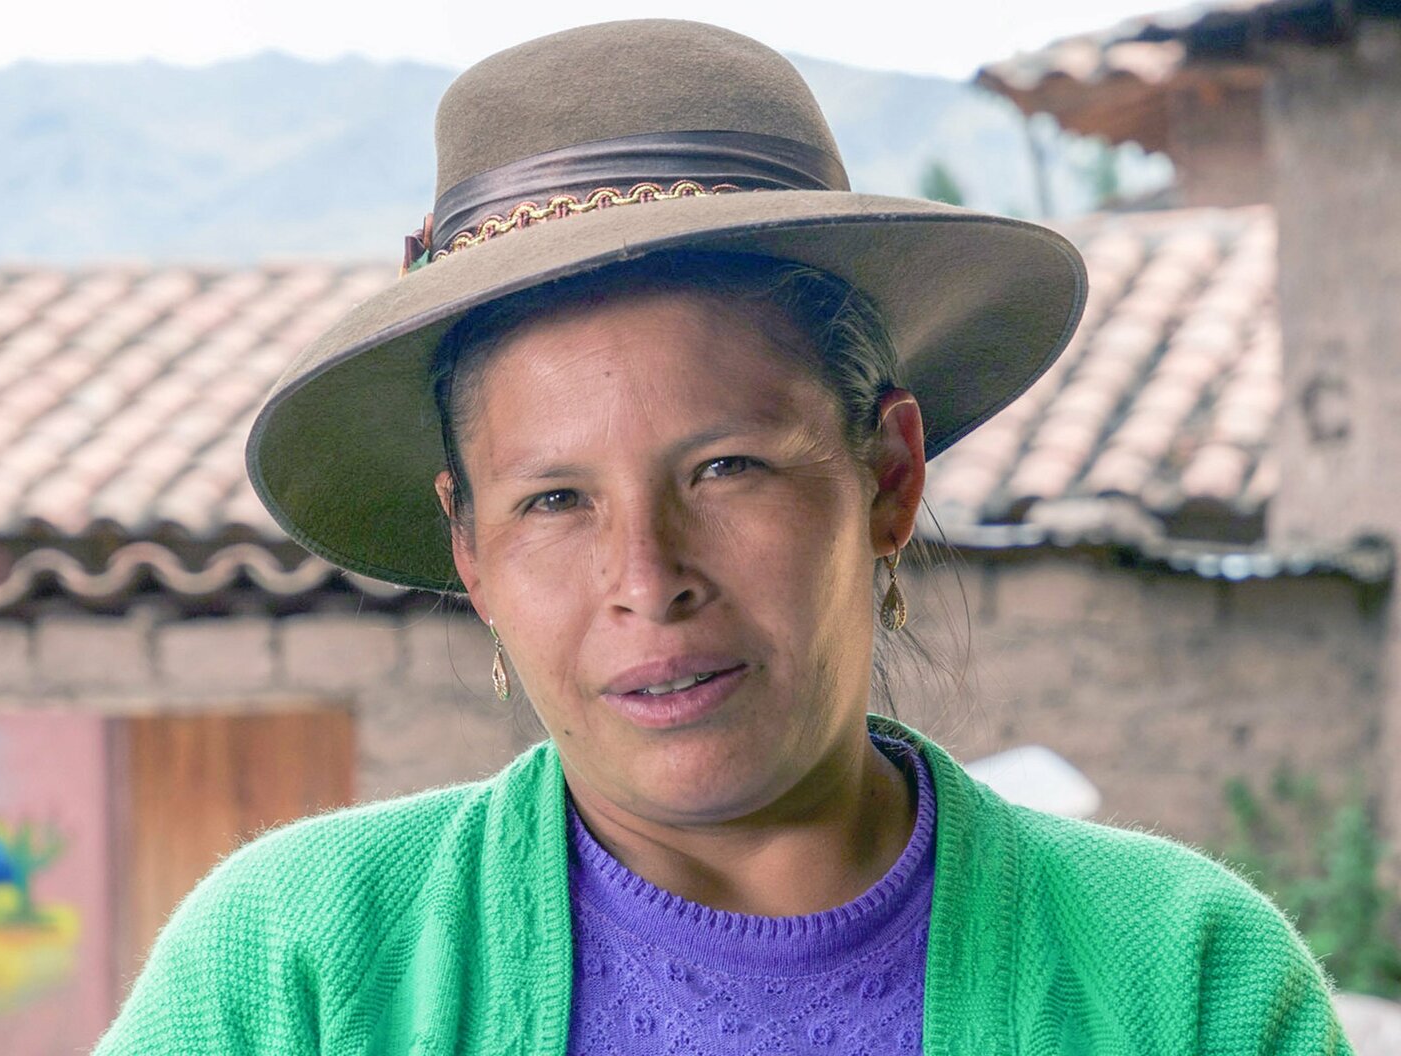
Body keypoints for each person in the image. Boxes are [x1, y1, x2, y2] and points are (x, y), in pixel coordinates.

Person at [94, 19, 1353, 1056]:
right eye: (553, 501)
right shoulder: (296, 973)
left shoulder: (1181, 980)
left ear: (887, 477)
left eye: (725, 468)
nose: (647, 580)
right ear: (469, 549)